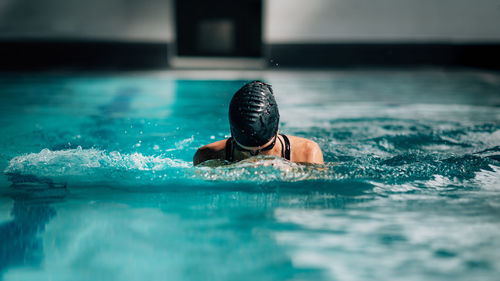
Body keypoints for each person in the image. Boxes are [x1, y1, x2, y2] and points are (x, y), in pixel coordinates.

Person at [193, 81, 324, 165]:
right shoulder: (207, 157)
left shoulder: (307, 153)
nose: (255, 158)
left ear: (277, 130)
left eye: (265, 148)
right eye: (243, 150)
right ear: (232, 134)